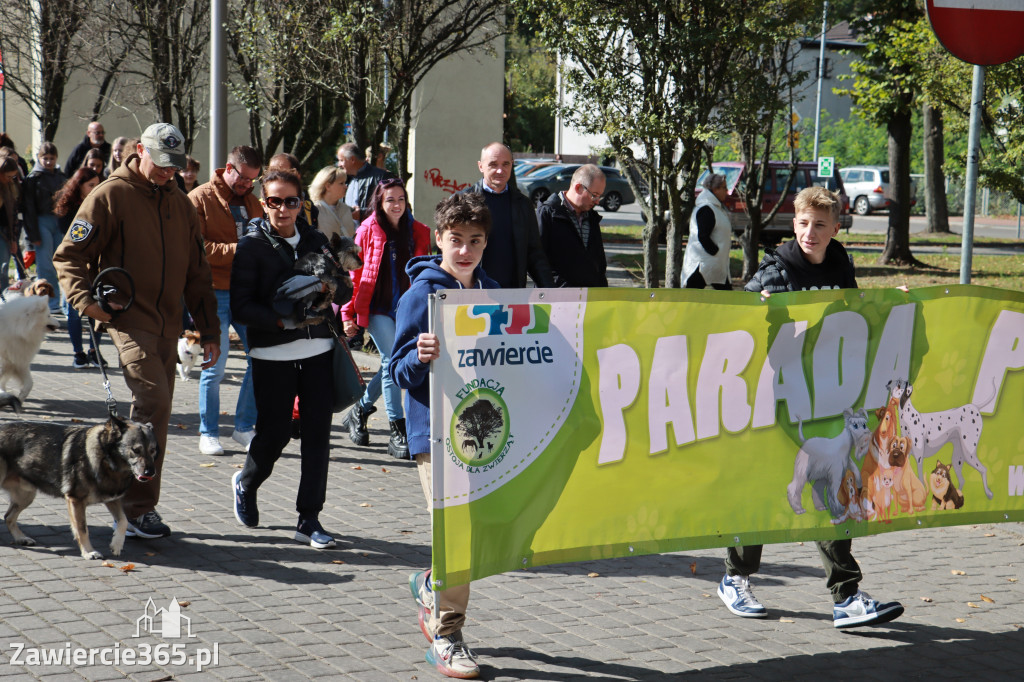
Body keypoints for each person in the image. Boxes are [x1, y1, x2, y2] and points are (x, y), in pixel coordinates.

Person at [718, 185, 903, 629]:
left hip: (825, 399)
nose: (810, 233)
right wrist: (753, 307)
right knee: (769, 488)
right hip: (778, 401)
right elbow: (734, 322)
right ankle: (734, 577)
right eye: (803, 223)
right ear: (794, 224)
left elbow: (857, 318)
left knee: (829, 493)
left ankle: (847, 597)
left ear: (836, 228)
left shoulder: (841, 265)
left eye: (820, 225)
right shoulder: (775, 271)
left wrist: (895, 305)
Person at [54, 122, 220, 540]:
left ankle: (116, 491)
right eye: (162, 164)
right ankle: (136, 509)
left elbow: (198, 276)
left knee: (155, 414)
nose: (169, 172)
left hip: (169, 325)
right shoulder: (111, 194)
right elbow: (68, 256)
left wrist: (210, 330)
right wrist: (86, 303)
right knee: (153, 402)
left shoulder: (182, 206)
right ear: (140, 152)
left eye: (175, 166)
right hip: (128, 321)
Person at [390, 192, 498, 679]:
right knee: (457, 532)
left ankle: (433, 583)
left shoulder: (493, 293)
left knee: (474, 533)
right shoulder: (420, 297)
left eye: (475, 241)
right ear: (439, 239)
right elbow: (397, 372)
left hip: (483, 433)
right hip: (434, 436)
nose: (465, 250)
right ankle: (448, 634)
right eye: (456, 240)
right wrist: (419, 355)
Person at [229, 170, 346, 548]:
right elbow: (241, 307)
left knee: (317, 437)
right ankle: (246, 481)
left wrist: (330, 281)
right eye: (274, 201)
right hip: (272, 353)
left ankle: (309, 519)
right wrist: (281, 318)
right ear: (263, 203)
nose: (283, 209)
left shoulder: (314, 239)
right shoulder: (250, 246)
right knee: (275, 433)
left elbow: (342, 290)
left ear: (301, 204)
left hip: (318, 351)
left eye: (291, 201)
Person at [341, 178, 430, 458]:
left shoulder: (418, 231)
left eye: (401, 199)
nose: (396, 205)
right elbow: (353, 275)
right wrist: (347, 313)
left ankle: (361, 409)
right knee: (393, 360)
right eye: (390, 199)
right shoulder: (367, 230)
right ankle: (397, 429)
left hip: (405, 309)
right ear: (379, 202)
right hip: (377, 309)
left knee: (391, 365)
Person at [188, 145, 262, 456]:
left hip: (248, 292)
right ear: (228, 169)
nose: (247, 185)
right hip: (214, 290)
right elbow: (198, 247)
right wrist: (239, 250)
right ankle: (209, 432)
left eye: (252, 181)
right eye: (243, 178)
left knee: (260, 359)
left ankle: (244, 428)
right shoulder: (200, 198)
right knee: (214, 366)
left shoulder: (254, 202)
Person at [463, 142, 553, 289]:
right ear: (480, 166)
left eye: (505, 164)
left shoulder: (523, 205)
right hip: (473, 294)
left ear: (512, 165)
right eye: (493, 164)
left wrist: (550, 291)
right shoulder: (463, 202)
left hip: (511, 294)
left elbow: (534, 254)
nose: (500, 170)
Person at [52, 168, 105, 368]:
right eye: (91, 185)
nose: (96, 188)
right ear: (79, 186)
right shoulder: (67, 208)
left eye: (98, 184)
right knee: (76, 310)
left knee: (99, 305)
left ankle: (95, 350)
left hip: (96, 265)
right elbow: (71, 241)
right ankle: (78, 353)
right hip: (75, 266)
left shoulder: (102, 204)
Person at [536, 163, 608, 287]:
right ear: (578, 187)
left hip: (589, 299)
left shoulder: (592, 218)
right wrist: (555, 288)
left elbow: (599, 263)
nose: (597, 201)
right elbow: (536, 259)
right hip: (555, 300)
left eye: (599, 196)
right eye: (594, 195)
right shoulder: (548, 213)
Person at [21, 142, 67, 314]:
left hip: (58, 221)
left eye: (52, 158)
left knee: (60, 261)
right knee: (45, 263)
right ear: (39, 159)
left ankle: (62, 301)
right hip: (41, 221)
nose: (48, 162)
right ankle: (49, 303)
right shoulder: (33, 179)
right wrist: (32, 234)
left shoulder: (61, 177)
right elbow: (28, 207)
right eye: (45, 158)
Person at [682, 172, 733, 290]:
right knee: (692, 299)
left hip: (713, 265)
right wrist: (715, 251)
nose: (727, 191)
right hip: (703, 265)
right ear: (715, 190)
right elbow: (703, 236)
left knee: (725, 298)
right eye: (724, 187)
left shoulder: (714, 208)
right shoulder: (706, 209)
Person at [336, 142, 390, 224]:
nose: (339, 164)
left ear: (352, 159)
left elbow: (391, 208)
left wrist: (362, 213)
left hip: (372, 234)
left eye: (341, 160)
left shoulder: (381, 178)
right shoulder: (344, 180)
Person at [308, 165, 356, 241]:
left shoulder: (346, 208)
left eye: (345, 183)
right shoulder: (314, 210)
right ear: (328, 186)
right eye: (341, 183)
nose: (346, 187)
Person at [0, 153, 23, 288]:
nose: (10, 180)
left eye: (13, 177)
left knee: (3, 268)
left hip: (5, 232)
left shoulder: (10, 189)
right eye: (8, 176)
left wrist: (14, 239)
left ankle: (2, 301)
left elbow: (13, 215)